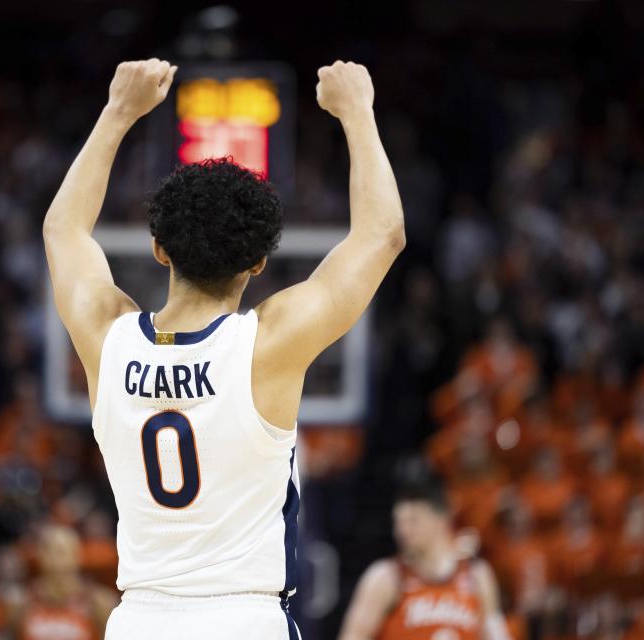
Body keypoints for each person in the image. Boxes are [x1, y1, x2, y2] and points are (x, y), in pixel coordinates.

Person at [43, 58, 405, 639]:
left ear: (159, 249)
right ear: (259, 264)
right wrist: (356, 110)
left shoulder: (106, 338)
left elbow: (63, 231)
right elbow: (382, 233)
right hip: (243, 617)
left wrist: (118, 112)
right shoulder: (267, 344)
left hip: (139, 619)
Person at [338, 478, 510, 640]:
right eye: (398, 522)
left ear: (441, 519)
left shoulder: (476, 575)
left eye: (413, 521)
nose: (402, 531)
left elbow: (496, 633)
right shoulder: (386, 577)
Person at [17, 525, 117, 640]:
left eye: (62, 552)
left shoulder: (100, 602)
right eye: (48, 550)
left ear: (77, 555)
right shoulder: (23, 603)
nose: (55, 559)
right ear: (40, 556)